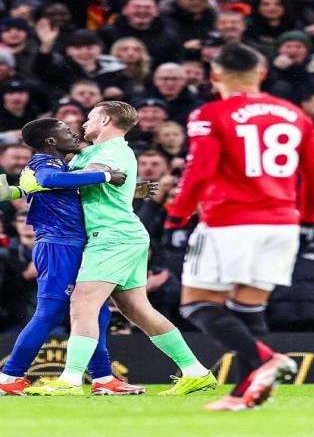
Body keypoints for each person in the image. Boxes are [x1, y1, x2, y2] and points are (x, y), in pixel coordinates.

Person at [166, 44, 314, 410]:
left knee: (196, 304)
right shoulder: (294, 113)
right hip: (283, 223)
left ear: (215, 75)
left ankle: (268, 359)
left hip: (230, 222)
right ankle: (244, 394)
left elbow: (199, 170)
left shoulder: (210, 113)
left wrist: (177, 217)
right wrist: (310, 218)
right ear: (262, 72)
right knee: (247, 309)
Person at [23, 102, 216, 396]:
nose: (83, 124)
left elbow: (76, 180)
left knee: (83, 302)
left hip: (111, 237)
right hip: (125, 236)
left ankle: (70, 380)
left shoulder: (110, 153)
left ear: (105, 120)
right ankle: (195, 371)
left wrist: (34, 182)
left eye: (90, 118)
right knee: (137, 309)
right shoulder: (95, 152)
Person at [0, 118, 146, 396]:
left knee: (96, 310)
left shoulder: (60, 166)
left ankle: (103, 378)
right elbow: (48, 180)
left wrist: (131, 191)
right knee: (50, 312)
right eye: (66, 131)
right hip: (57, 245)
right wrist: (105, 176)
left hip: (74, 244)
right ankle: (9, 377)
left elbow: (66, 191)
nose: (74, 133)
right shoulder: (44, 164)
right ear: (51, 141)